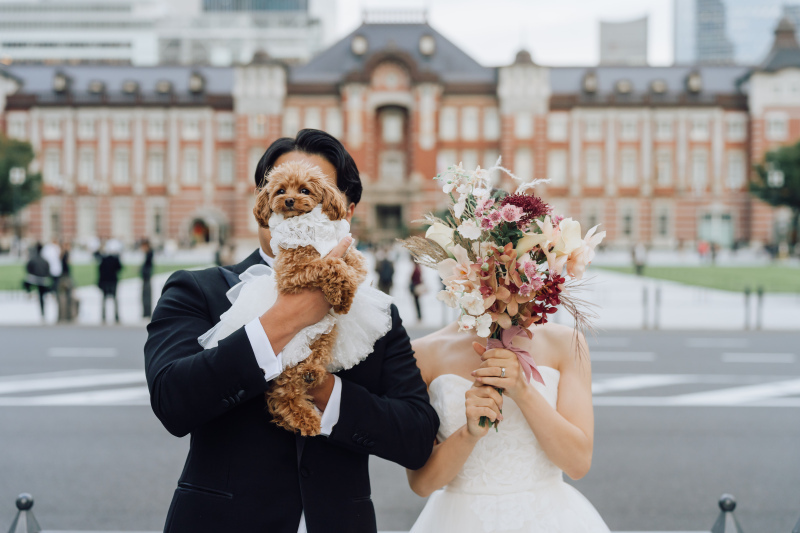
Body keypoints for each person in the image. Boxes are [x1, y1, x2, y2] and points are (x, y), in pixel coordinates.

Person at [143, 129, 438, 533]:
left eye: (313, 192)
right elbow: (172, 402)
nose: (294, 205)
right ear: (263, 202)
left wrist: (326, 392)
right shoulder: (197, 290)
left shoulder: (376, 311)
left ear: (345, 209)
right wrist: (287, 318)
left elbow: (417, 437)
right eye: (280, 187)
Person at [407, 320, 609, 532]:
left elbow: (578, 464)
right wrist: (468, 434)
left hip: (548, 517)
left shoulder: (565, 341)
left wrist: (522, 390)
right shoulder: (422, 352)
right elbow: (422, 484)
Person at [97, 240, 123, 324]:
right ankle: (116, 316)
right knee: (115, 299)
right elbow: (120, 268)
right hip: (113, 281)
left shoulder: (103, 259)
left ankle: (103, 317)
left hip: (105, 281)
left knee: (104, 299)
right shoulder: (115, 259)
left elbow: (100, 270)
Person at [24, 243, 50, 319]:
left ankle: (28, 292)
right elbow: (48, 271)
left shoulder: (33, 259)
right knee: (41, 296)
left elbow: (28, 269)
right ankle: (43, 313)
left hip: (34, 279)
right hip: (42, 280)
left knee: (25, 283)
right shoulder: (45, 260)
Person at [57, 241, 76, 323]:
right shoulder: (65, 255)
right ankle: (69, 315)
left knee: (62, 297)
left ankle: (62, 315)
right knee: (68, 297)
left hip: (62, 277)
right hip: (65, 278)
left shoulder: (61, 255)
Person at [141, 239, 154, 319]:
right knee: (145, 296)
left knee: (146, 296)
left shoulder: (149, 254)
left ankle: (147, 312)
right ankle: (146, 312)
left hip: (147, 278)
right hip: (146, 277)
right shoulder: (147, 254)